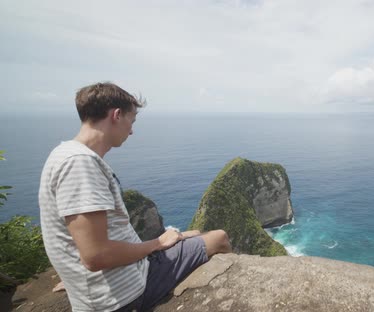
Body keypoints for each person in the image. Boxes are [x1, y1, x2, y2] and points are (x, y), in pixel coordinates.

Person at [39, 82, 231, 311]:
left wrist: (72, 277)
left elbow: (75, 241)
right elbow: (94, 256)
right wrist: (156, 244)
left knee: (194, 233)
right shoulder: (80, 164)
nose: (131, 130)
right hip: (124, 294)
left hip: (112, 280)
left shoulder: (64, 153)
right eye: (132, 120)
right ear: (117, 115)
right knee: (219, 237)